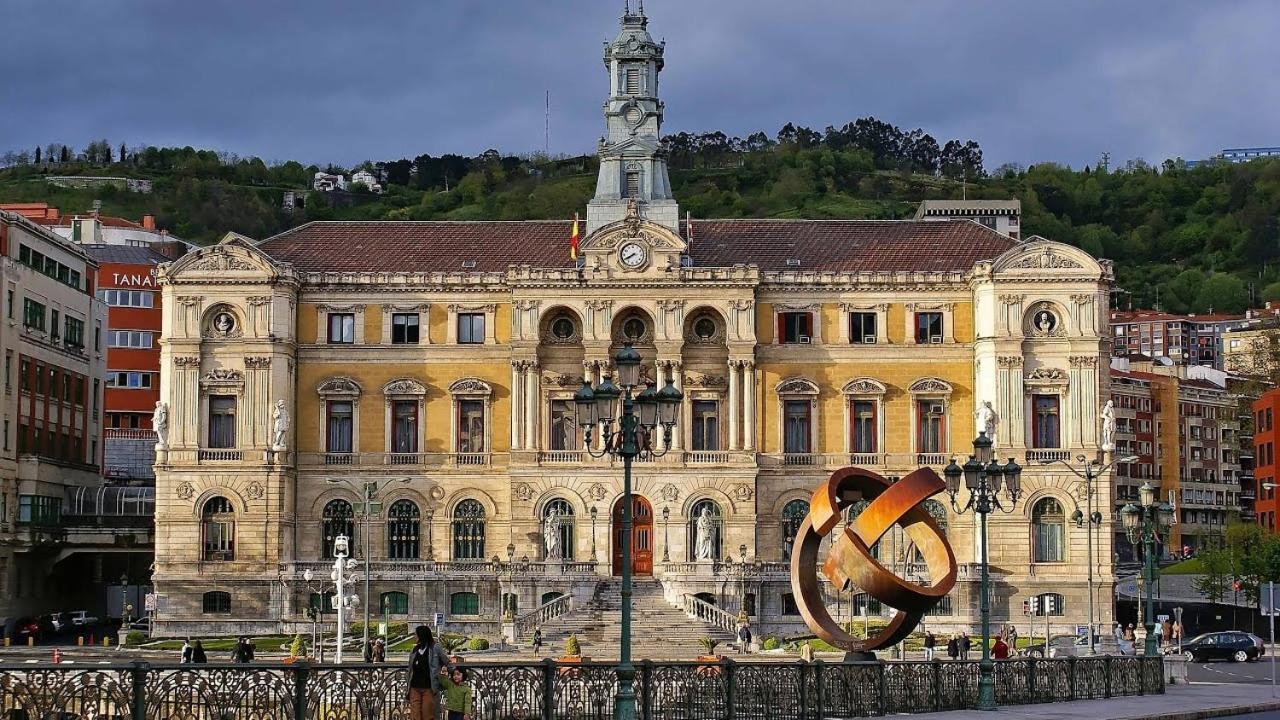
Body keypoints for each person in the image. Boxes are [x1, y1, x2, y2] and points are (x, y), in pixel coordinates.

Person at [407, 625, 452, 720]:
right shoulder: (415, 650)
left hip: (429, 687)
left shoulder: (435, 647)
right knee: (415, 715)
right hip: (414, 687)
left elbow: (446, 662)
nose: (414, 636)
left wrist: (455, 672)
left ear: (421, 635)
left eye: (416, 634)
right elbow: (410, 668)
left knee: (428, 714)